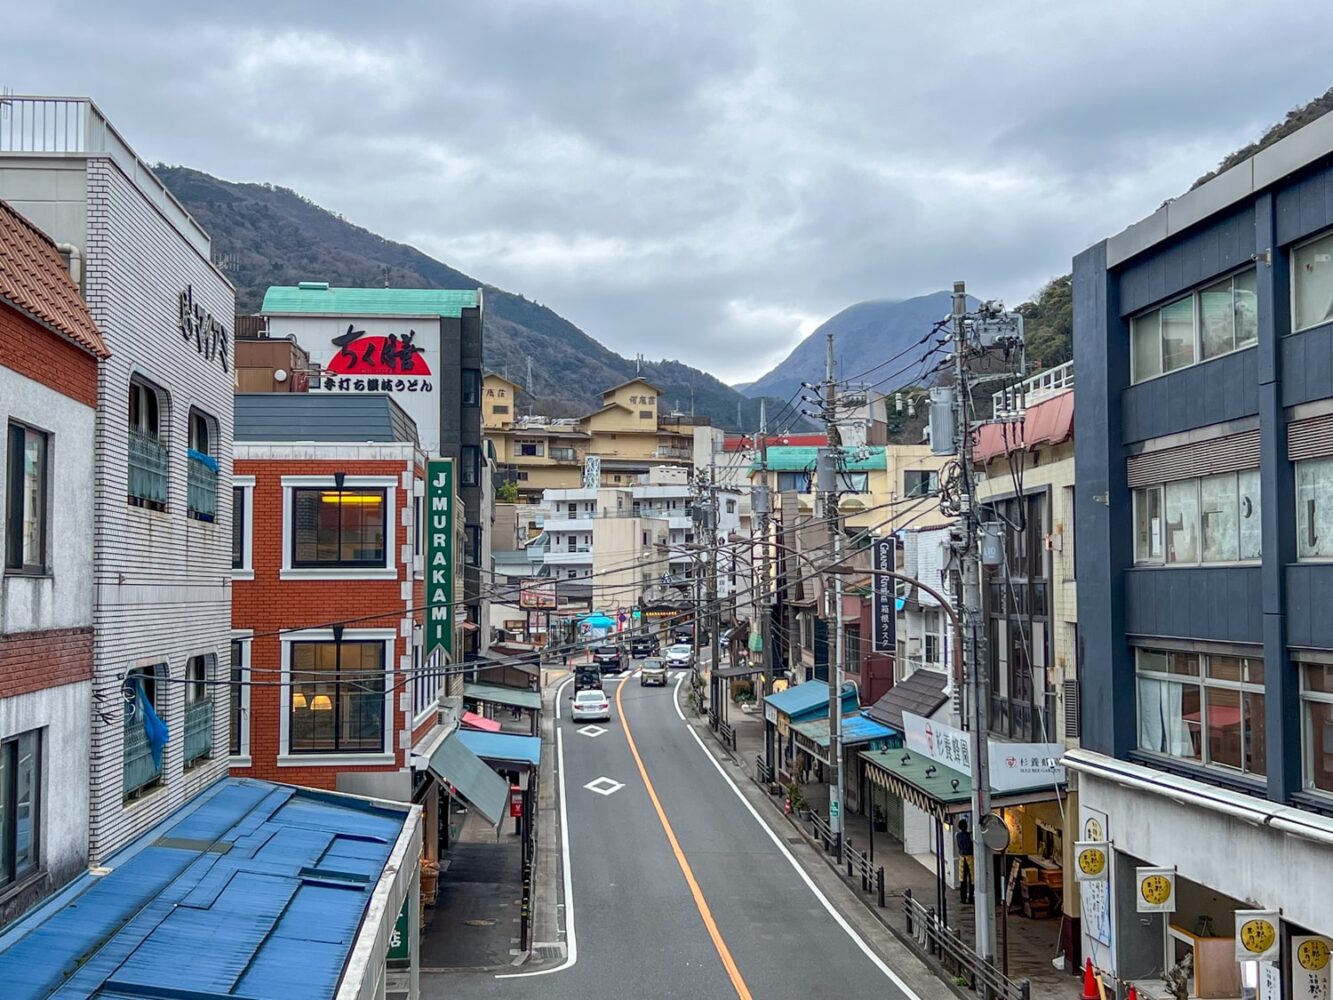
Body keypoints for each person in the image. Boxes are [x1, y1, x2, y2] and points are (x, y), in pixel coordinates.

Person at [955, 818, 975, 905]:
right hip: (970, 858)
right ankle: (971, 897)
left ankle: (963, 898)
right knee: (971, 879)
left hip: (962, 858)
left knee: (962, 880)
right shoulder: (969, 835)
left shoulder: (958, 835)